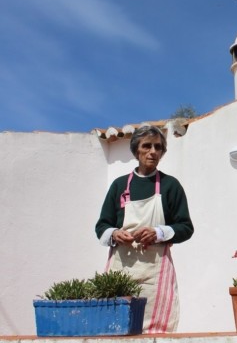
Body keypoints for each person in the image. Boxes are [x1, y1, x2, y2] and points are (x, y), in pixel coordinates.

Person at [95, 125, 194, 333]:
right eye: (147, 146)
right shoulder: (119, 186)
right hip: (121, 268)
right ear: (136, 150)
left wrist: (158, 233)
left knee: (156, 328)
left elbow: (186, 227)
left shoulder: (170, 185)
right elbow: (101, 226)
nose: (153, 152)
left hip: (155, 271)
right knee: (116, 327)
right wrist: (114, 233)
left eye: (158, 147)